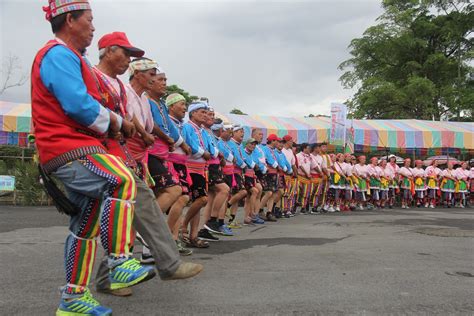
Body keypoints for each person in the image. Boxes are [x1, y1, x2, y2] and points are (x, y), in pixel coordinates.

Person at [33, 3, 154, 314]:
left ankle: (73, 298)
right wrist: (117, 123)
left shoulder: (73, 59)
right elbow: (76, 104)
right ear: (70, 20)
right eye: (89, 21)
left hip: (80, 147)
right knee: (122, 179)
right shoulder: (57, 54)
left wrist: (117, 122)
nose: (93, 28)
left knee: (85, 226)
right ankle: (119, 262)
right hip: (69, 148)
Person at [93, 33, 201, 292]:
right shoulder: (100, 79)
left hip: (132, 155)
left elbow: (129, 121)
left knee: (130, 211)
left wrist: (137, 132)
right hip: (112, 153)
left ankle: (114, 276)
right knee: (103, 220)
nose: (155, 78)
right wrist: (139, 133)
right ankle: (108, 277)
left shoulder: (126, 90)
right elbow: (119, 119)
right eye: (152, 73)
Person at [145, 63, 190, 260]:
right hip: (150, 154)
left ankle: (148, 250)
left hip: (163, 155)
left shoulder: (161, 104)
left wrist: (176, 141)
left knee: (161, 196)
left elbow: (171, 130)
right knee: (175, 191)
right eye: (160, 79)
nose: (164, 83)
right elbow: (150, 125)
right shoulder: (145, 101)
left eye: (165, 79)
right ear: (149, 80)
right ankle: (147, 227)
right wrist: (168, 139)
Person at [165, 93, 195, 255]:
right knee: (181, 198)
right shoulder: (167, 121)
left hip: (181, 164)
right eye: (182, 104)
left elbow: (190, 145)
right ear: (171, 106)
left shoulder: (182, 125)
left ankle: (173, 238)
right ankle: (165, 237)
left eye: (185, 104)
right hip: (170, 162)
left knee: (181, 200)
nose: (185, 108)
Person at [181, 102, 211, 248]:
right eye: (201, 112)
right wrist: (202, 153)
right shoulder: (188, 126)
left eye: (206, 112)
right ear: (192, 113)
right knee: (202, 199)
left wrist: (211, 153)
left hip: (201, 168)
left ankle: (194, 236)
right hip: (191, 167)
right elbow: (188, 143)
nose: (205, 115)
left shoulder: (202, 130)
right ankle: (183, 224)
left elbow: (209, 146)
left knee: (198, 203)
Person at [201, 111, 232, 235]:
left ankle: (205, 229)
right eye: (209, 115)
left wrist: (219, 155)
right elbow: (210, 150)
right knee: (224, 189)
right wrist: (218, 153)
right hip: (208, 167)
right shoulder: (203, 131)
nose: (212, 118)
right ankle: (213, 221)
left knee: (211, 198)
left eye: (213, 116)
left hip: (214, 167)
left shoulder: (209, 133)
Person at [226, 125, 249, 224]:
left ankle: (232, 219)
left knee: (236, 195)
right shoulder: (231, 143)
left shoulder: (239, 145)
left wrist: (245, 163)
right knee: (242, 192)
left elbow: (243, 157)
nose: (242, 133)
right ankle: (227, 205)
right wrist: (243, 164)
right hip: (234, 171)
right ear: (234, 133)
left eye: (243, 131)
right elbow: (236, 157)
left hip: (239, 172)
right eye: (240, 131)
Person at [261, 134, 282, 220]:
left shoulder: (273, 150)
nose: (278, 142)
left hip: (274, 173)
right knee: (268, 192)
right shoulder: (265, 149)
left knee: (273, 193)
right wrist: (277, 165)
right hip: (269, 173)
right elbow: (268, 159)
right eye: (276, 141)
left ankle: (269, 212)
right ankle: (260, 209)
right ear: (272, 141)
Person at [241, 137, 261, 222]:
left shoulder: (253, 154)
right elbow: (251, 164)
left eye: (254, 144)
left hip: (252, 176)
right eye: (251, 144)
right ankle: (252, 213)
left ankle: (248, 216)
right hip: (244, 176)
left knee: (253, 194)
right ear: (246, 144)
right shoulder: (243, 152)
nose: (253, 146)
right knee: (254, 191)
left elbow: (257, 166)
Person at [281, 135, 298, 216]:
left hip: (291, 175)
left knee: (291, 193)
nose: (292, 143)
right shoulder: (282, 150)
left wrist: (296, 174)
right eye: (291, 141)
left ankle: (289, 209)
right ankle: (283, 210)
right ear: (287, 141)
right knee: (285, 193)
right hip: (284, 174)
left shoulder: (290, 151)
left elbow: (293, 164)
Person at [296, 143, 313, 213]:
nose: (309, 150)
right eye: (308, 148)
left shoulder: (309, 156)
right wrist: (307, 173)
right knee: (297, 192)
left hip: (307, 177)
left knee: (306, 193)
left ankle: (303, 207)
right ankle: (293, 207)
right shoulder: (298, 155)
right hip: (300, 176)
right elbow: (300, 166)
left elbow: (313, 166)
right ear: (304, 149)